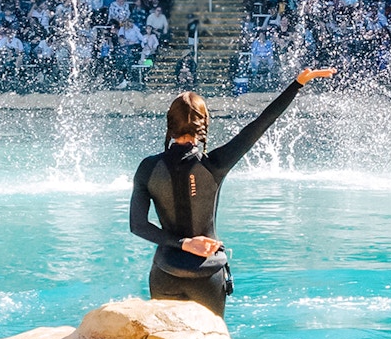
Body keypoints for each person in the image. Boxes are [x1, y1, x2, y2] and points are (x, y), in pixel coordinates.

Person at [130, 67, 336, 318]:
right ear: (203, 125)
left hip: (166, 273)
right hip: (207, 275)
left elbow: (137, 226)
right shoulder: (215, 164)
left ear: (170, 125)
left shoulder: (147, 168)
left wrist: (183, 244)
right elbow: (260, 124)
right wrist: (298, 83)